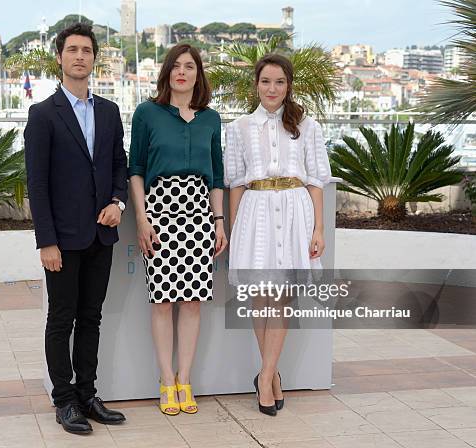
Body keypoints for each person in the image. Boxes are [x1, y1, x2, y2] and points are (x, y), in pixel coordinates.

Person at [24, 23, 128, 435]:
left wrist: (118, 202)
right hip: (62, 241)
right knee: (61, 319)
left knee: (92, 318)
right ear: (60, 58)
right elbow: (38, 183)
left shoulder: (109, 111)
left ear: (94, 59)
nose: (80, 56)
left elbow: (119, 164)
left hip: (102, 235)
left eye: (87, 50)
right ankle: (64, 400)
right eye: (72, 50)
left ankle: (87, 393)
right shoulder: (43, 114)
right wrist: (46, 241)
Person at [224, 53, 331, 416]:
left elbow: (316, 181)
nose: (272, 89)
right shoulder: (238, 127)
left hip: (295, 212)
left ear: (289, 86)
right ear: (256, 84)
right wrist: (235, 228)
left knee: (282, 297)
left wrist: (318, 228)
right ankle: (270, 376)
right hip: (255, 214)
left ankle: (266, 375)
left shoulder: (308, 126)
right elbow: (236, 182)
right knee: (261, 297)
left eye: (280, 82)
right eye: (266, 81)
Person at [128, 44, 227, 416]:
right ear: (167, 72)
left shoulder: (211, 119)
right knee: (162, 302)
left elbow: (216, 176)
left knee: (192, 302)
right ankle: (166, 380)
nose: (182, 72)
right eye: (176, 66)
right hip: (160, 214)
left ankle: (186, 378)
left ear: (198, 74)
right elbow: (135, 168)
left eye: (190, 66)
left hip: (200, 214)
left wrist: (219, 221)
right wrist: (142, 218)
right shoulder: (147, 114)